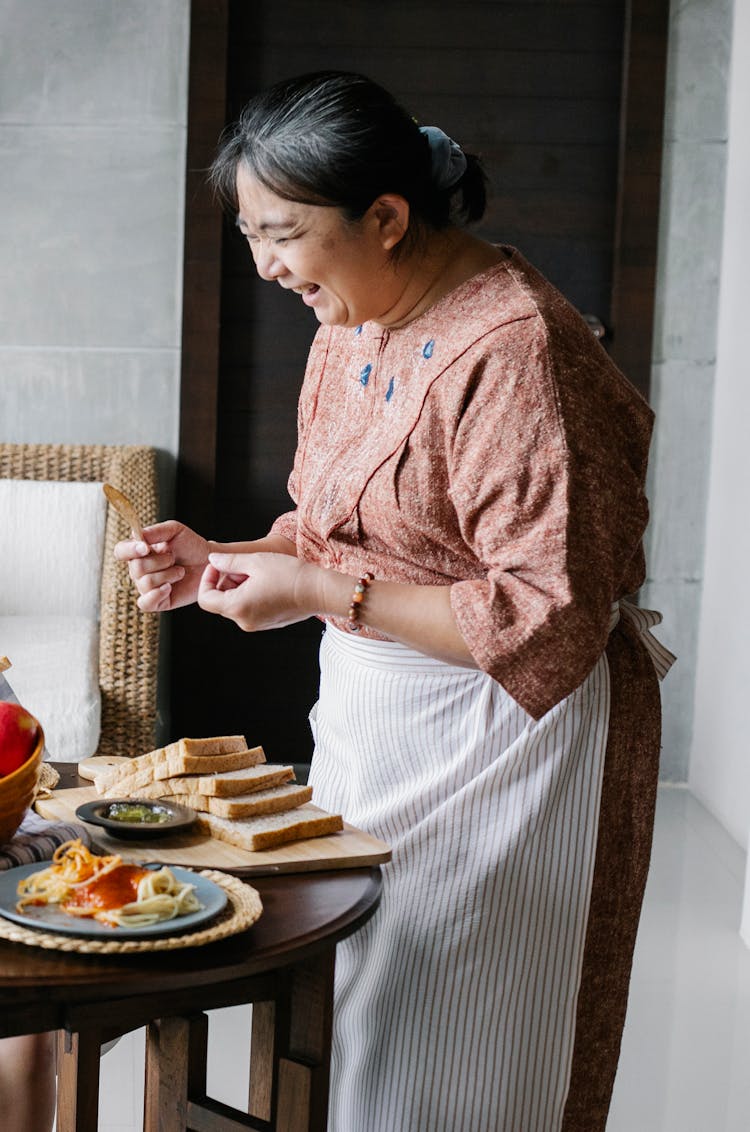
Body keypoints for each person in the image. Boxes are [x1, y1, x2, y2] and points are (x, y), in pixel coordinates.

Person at [116, 71, 674, 1132]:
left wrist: (320, 590)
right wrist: (222, 559)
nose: (266, 265)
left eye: (283, 234)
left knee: (456, 1053)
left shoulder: (516, 351)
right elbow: (331, 525)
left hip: (509, 741)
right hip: (381, 728)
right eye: (249, 233)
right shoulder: (355, 319)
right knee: (364, 1020)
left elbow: (542, 615)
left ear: (385, 217)